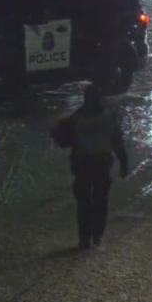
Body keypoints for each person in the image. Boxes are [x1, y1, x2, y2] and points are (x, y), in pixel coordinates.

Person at [52, 85, 129, 250]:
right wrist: (123, 162)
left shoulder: (76, 119)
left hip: (83, 165)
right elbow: (118, 142)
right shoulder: (109, 117)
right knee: (100, 200)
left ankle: (84, 238)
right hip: (102, 163)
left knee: (84, 203)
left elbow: (63, 141)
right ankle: (97, 235)